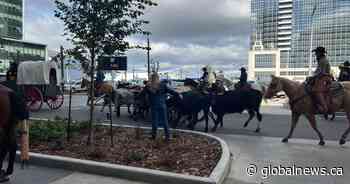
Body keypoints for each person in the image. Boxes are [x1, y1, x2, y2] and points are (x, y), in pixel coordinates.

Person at [145, 72, 180, 141]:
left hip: (153, 105)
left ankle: (153, 136)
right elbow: (171, 91)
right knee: (165, 121)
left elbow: (142, 94)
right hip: (162, 105)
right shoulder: (163, 85)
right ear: (158, 78)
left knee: (154, 121)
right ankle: (168, 137)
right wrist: (178, 94)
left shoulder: (148, 86)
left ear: (151, 79)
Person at [308, 46, 332, 114]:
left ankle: (324, 108)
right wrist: (312, 76)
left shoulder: (323, 60)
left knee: (316, 90)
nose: (315, 54)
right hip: (321, 77)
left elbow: (322, 72)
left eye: (316, 52)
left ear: (320, 53)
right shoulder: (321, 60)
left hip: (325, 77)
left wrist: (314, 76)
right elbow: (317, 71)